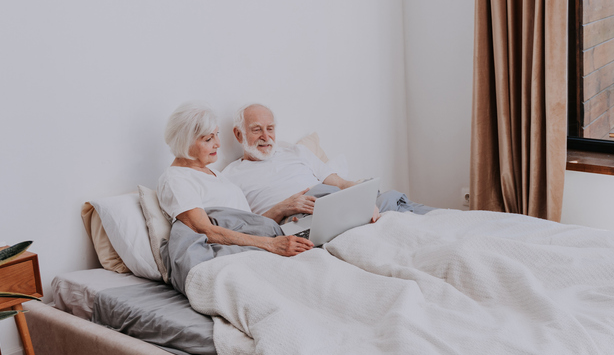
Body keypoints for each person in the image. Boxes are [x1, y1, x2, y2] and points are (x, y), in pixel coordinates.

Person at [221, 103, 434, 217]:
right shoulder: (229, 177)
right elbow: (249, 226)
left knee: (391, 198)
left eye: (270, 129)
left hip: (332, 200)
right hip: (297, 217)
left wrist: (364, 198)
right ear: (239, 135)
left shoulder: (295, 152)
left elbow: (340, 183)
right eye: (256, 130)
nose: (266, 137)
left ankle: (445, 220)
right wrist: (283, 208)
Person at [158, 102, 313, 257]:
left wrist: (282, 210)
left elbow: (245, 225)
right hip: (243, 251)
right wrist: (271, 244)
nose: (218, 144)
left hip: (261, 241)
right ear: (185, 142)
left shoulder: (214, 174)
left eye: (217, 135)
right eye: (208, 139)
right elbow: (204, 230)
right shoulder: (176, 179)